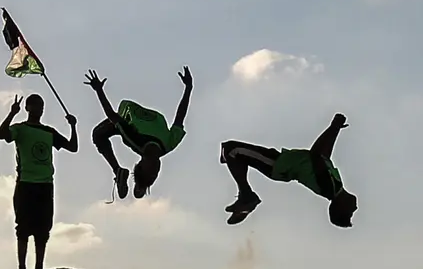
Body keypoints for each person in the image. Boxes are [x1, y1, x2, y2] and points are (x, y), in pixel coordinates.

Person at [219, 113, 359, 227]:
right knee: (233, 154)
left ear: (341, 207)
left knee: (231, 150)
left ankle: (247, 196)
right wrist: (334, 129)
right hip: (280, 161)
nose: (355, 209)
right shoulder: (336, 185)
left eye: (350, 212)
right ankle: (245, 197)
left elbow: (315, 154)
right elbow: (323, 156)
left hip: (277, 165)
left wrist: (334, 127)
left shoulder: (328, 187)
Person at [0, 93, 78, 269]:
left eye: (40, 105)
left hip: (45, 184)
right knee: (23, 227)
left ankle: (39, 267)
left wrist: (73, 126)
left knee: (43, 228)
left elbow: (72, 147)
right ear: (27, 108)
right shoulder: (20, 128)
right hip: (26, 182)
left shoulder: (48, 132)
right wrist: (11, 113)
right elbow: (1, 134)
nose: (37, 109)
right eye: (33, 105)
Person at [83, 67, 192, 200]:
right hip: (145, 117)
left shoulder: (134, 139)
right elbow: (180, 116)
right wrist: (188, 88)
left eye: (151, 171)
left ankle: (119, 171)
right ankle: (134, 182)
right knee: (107, 130)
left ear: (141, 162)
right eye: (156, 174)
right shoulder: (169, 144)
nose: (156, 170)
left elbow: (111, 114)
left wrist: (99, 90)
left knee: (97, 134)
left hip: (127, 117)